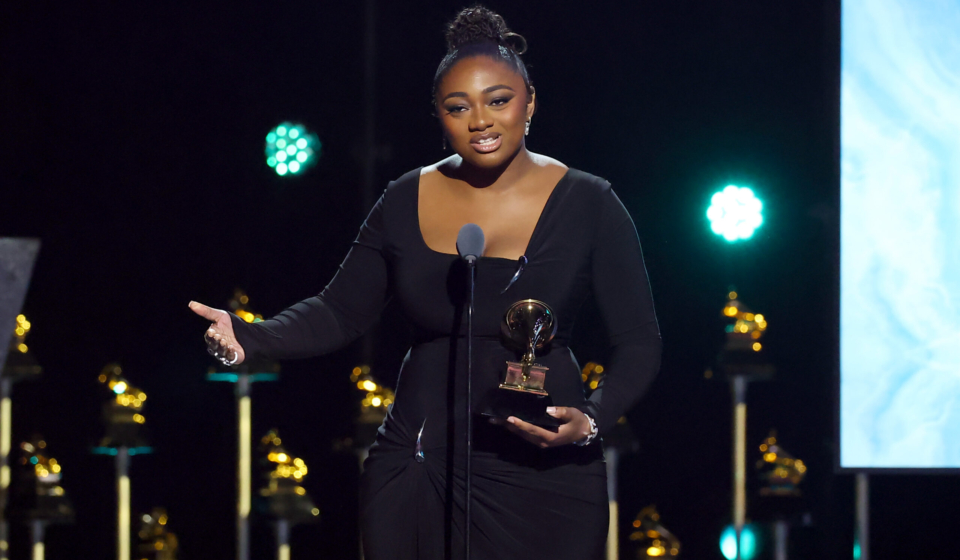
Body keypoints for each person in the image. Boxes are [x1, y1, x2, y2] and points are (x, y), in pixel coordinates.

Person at [189, 6, 661, 559]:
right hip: (418, 462)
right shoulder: (404, 197)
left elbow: (639, 340)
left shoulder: (590, 202)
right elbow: (340, 311)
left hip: (545, 467)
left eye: (498, 101)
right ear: (438, 116)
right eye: (457, 107)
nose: (480, 121)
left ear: (530, 102)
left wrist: (592, 419)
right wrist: (252, 335)